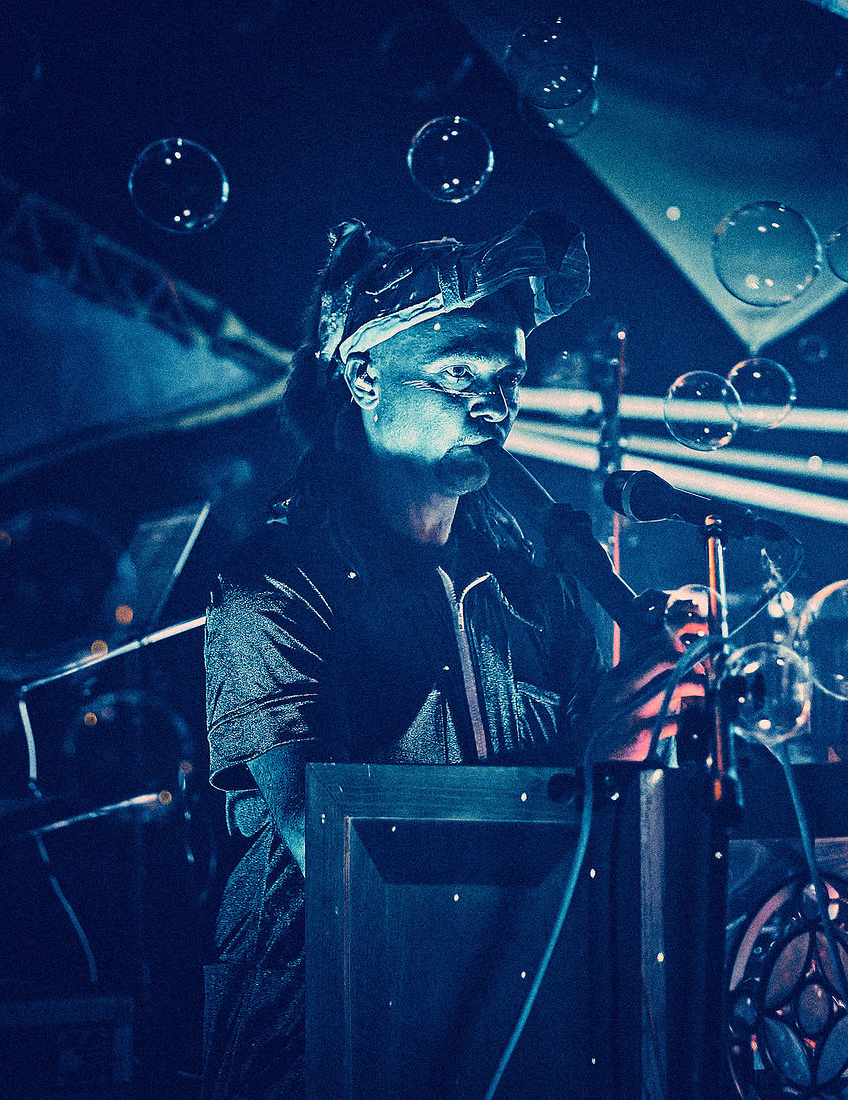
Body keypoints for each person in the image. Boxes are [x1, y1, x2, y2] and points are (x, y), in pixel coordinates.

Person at [200, 211, 673, 1099]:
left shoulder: (536, 585)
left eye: (508, 378)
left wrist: (642, 729)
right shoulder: (276, 586)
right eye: (459, 373)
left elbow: (596, 823)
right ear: (364, 377)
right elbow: (340, 858)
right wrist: (595, 762)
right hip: (325, 1034)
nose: (493, 405)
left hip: (509, 1008)